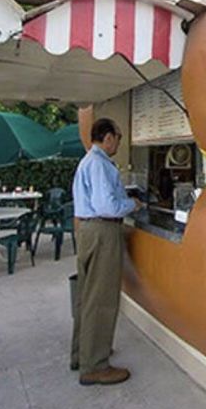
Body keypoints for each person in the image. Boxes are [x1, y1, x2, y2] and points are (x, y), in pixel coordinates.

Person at [71, 118, 143, 385]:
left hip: (88, 230)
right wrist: (133, 204)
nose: (119, 143)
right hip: (102, 230)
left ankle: (82, 353)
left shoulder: (88, 161)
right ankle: (95, 365)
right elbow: (107, 206)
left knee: (87, 296)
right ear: (108, 137)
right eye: (119, 137)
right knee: (101, 299)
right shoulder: (100, 164)